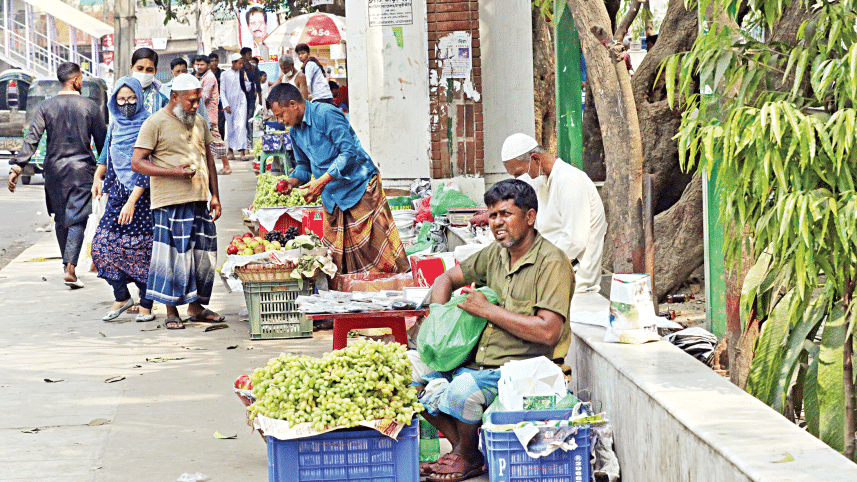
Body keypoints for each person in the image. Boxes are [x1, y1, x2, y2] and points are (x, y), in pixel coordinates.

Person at [413, 179, 574, 482]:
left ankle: (467, 454)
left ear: (530, 216)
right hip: (475, 359)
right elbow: (445, 279)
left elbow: (548, 332)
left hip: (521, 368)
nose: (497, 222)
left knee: (463, 391)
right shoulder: (495, 254)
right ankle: (467, 449)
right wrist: (438, 321)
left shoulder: (552, 262)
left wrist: (487, 310)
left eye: (506, 214)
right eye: (493, 215)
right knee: (404, 370)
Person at [267, 83, 409, 274]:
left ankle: (392, 292)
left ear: (294, 104)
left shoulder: (325, 114)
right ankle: (353, 297)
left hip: (359, 189)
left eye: (280, 114)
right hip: (333, 199)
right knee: (337, 263)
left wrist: (322, 181)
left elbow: (348, 152)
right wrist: (292, 182)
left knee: (379, 259)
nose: (280, 120)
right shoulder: (294, 131)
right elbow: (303, 166)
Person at [130, 74, 223, 330]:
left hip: (199, 198)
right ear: (175, 97)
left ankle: (196, 307)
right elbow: (137, 163)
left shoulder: (199, 122)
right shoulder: (155, 123)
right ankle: (171, 310)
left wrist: (215, 195)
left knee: (202, 256)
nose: (196, 105)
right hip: (169, 201)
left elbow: (209, 159)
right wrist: (173, 172)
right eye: (191, 101)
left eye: (198, 100)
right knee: (172, 257)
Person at [7, 62, 107, 288]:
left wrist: (17, 167)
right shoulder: (90, 107)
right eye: (81, 77)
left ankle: (66, 266)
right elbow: (103, 144)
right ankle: (70, 267)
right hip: (82, 170)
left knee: (62, 219)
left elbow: (32, 138)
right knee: (78, 218)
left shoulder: (45, 106)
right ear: (75, 80)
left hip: (54, 171)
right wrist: (105, 173)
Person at [501, 133, 606, 293]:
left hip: (574, 282)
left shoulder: (571, 180)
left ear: (535, 159)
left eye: (518, 173)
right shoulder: (541, 181)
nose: (517, 179)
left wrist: (534, 265)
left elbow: (574, 241)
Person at [91, 77, 156, 322]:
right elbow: (106, 153)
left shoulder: (149, 123)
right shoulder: (114, 125)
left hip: (143, 194)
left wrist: (133, 200)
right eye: (121, 99)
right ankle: (122, 296)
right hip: (117, 192)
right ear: (113, 101)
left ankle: (146, 304)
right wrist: (98, 176)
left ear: (139, 98)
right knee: (102, 245)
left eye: (131, 99)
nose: (126, 104)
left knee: (144, 250)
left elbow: (149, 163)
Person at [194, 54, 231, 175]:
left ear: (208, 65)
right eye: (197, 64)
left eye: (201, 64)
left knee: (216, 140)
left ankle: (227, 165)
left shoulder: (209, 77)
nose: (199, 67)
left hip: (209, 115)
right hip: (204, 115)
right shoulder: (203, 76)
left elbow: (204, 97)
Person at [221, 53, 250, 161]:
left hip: (241, 102)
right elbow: (222, 91)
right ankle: (230, 150)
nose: (241, 65)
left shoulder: (243, 73)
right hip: (229, 103)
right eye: (239, 63)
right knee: (230, 126)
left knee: (241, 125)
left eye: (242, 63)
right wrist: (226, 104)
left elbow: (248, 89)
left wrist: (246, 80)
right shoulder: (224, 74)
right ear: (233, 63)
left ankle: (242, 152)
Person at [130, 48, 168, 114]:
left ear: (155, 71)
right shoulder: (121, 94)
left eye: (149, 70)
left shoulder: (162, 100)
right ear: (131, 68)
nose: (144, 73)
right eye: (140, 69)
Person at [209, 52, 227, 140]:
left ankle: (221, 142)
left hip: (221, 103)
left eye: (216, 61)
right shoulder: (207, 75)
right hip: (210, 103)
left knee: (221, 124)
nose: (214, 63)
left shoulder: (222, 73)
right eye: (212, 61)